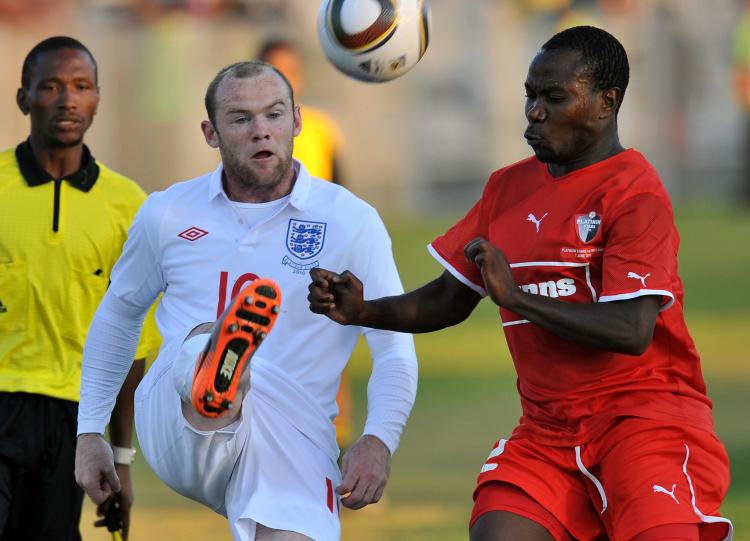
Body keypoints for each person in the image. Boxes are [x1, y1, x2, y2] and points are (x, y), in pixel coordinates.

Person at [309, 26, 733, 541]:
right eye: (531, 95)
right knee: (497, 532)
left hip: (646, 423)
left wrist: (517, 299)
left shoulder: (635, 194)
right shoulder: (506, 188)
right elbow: (450, 297)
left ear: (606, 102)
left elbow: (631, 328)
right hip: (548, 432)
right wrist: (365, 311)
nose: (534, 111)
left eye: (555, 98)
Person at [74, 60, 417, 541]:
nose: (261, 131)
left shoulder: (350, 221)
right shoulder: (168, 212)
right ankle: (215, 366)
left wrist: (379, 438)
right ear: (210, 133)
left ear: (297, 120)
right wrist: (90, 433)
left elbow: (394, 343)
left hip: (291, 435)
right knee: (199, 342)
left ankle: (225, 368)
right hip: (175, 420)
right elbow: (119, 315)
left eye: (274, 115)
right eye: (240, 119)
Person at [0, 36, 160, 541]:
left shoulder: (128, 207)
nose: (67, 99)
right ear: (24, 98)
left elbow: (133, 349)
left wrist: (121, 462)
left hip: (75, 417)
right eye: (50, 85)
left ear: (97, 98)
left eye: (81, 86)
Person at [257, 38, 355, 451]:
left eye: (290, 70)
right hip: (267, 258)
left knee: (330, 349)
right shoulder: (248, 132)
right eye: (274, 70)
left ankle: (338, 453)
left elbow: (342, 194)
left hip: (317, 256)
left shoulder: (321, 128)